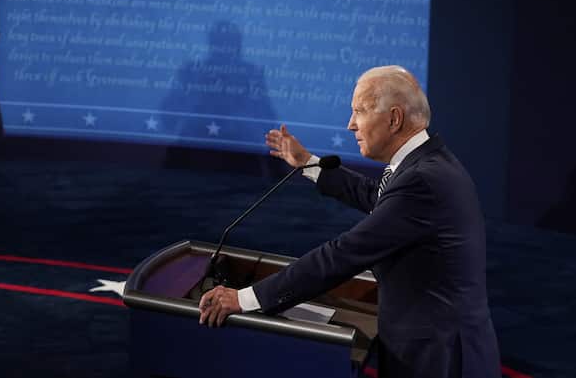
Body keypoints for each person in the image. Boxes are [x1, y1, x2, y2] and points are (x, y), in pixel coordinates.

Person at [198, 65, 500, 377]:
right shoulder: (425, 164)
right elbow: (377, 197)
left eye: (359, 111)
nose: (350, 124)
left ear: (394, 119)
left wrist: (245, 298)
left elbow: (344, 253)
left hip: (439, 360)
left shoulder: (422, 181)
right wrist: (307, 164)